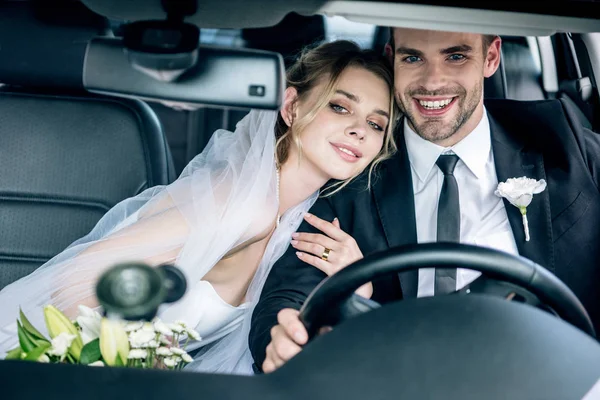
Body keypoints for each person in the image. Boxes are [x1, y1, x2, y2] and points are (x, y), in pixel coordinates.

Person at [0, 40, 399, 374]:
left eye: (376, 124)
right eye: (340, 107)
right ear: (292, 107)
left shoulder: (301, 220)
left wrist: (355, 284)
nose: (358, 129)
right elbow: (70, 287)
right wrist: (130, 360)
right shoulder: (238, 204)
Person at [250, 27, 600, 373]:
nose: (432, 82)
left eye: (456, 56)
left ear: (490, 58)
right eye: (413, 58)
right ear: (393, 59)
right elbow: (287, 299)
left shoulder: (561, 138)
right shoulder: (353, 170)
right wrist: (283, 341)